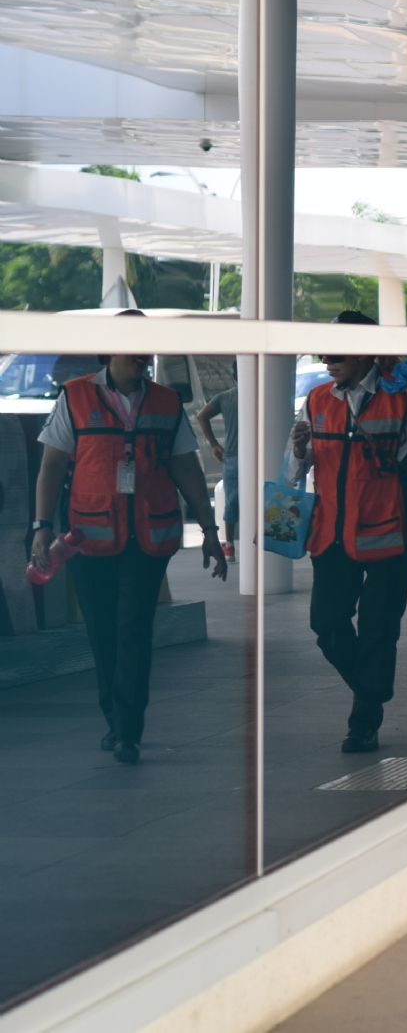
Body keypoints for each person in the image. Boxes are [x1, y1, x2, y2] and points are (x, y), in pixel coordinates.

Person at [32, 315, 229, 765]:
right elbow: (51, 466)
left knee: (133, 630)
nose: (145, 354)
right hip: (89, 538)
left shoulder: (165, 402)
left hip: (148, 538)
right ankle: (114, 718)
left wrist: (212, 532)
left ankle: (128, 730)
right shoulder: (76, 396)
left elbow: (188, 472)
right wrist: (42, 525)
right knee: (103, 632)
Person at [287, 310, 407, 753]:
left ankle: (363, 722)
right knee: (325, 624)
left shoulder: (400, 397)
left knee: (379, 629)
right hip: (330, 535)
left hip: (387, 531)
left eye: (339, 350)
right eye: (324, 350)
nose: (328, 358)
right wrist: (296, 451)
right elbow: (297, 470)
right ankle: (372, 689)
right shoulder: (316, 400)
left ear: (366, 352)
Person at [195, 382, 238, 560]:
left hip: (233, 456)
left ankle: (229, 546)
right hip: (261, 456)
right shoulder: (267, 393)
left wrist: (214, 444)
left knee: (231, 501)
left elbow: (201, 416)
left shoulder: (226, 396)